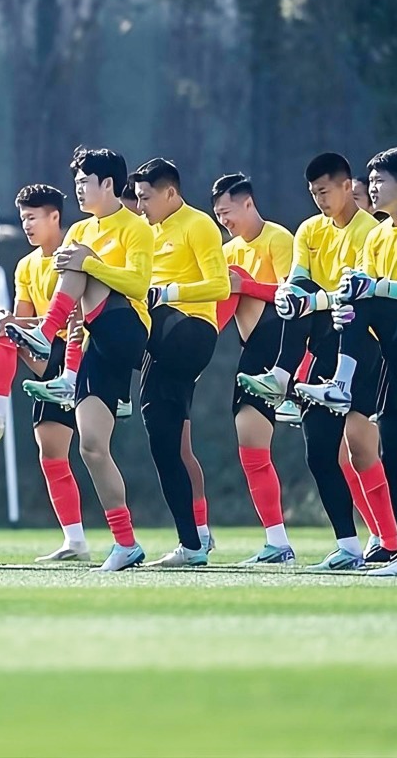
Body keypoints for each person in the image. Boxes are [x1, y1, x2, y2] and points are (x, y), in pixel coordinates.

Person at [297, 147, 397, 577]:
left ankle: (340, 385)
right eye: (368, 181)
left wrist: (373, 291)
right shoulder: (377, 234)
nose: (370, 188)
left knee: (363, 296)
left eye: (380, 181)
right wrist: (337, 309)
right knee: (393, 453)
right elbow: (359, 292)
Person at [237, 153, 390, 569]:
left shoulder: (372, 232)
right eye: (313, 193)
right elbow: (300, 276)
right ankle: (349, 546)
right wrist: (289, 293)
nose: (319, 199)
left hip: (365, 347)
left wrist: (309, 299)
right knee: (320, 453)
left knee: (363, 446)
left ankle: (394, 539)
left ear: (346, 187)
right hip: (323, 346)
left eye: (325, 191)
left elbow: (359, 291)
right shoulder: (308, 230)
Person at [7, 147, 153, 572]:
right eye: (76, 184)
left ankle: (41, 333)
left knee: (80, 261)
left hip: (128, 327)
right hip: (94, 339)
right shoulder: (78, 232)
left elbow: (139, 284)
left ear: (108, 184)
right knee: (91, 447)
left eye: (84, 183)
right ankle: (126, 544)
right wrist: (71, 353)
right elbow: (73, 304)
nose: (78, 191)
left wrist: (93, 263)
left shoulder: (135, 227)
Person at [0, 184, 90, 561]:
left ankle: (126, 539)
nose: (27, 225)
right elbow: (24, 321)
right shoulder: (26, 265)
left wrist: (25, 325)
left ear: (55, 217)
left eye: (33, 218)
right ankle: (75, 542)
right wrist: (8, 320)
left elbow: (78, 316)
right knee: (51, 453)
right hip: (47, 354)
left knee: (95, 449)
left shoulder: (76, 253)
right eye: (23, 219)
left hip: (81, 352)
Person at [128, 158, 229, 567]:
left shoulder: (198, 224)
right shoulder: (145, 232)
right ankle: (192, 544)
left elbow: (220, 285)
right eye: (136, 199)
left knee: (116, 311)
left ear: (170, 192)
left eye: (146, 198)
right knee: (164, 444)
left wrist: (166, 293)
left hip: (190, 330)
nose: (141, 206)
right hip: (160, 345)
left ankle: (89, 379)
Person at [212, 173, 297, 565]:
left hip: (285, 345)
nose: (223, 221)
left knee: (343, 451)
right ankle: (276, 541)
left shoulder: (278, 239)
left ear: (248, 203)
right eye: (218, 215)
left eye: (227, 212)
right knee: (250, 446)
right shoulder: (227, 251)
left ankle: (377, 539)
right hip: (252, 350)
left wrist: (244, 286)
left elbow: (291, 294)